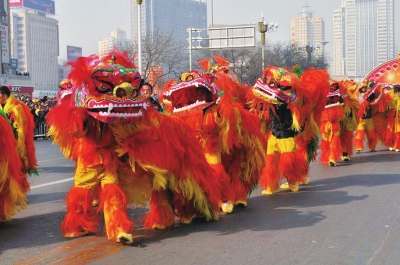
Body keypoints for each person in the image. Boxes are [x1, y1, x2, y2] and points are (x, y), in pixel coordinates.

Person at [0, 86, 38, 175]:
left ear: (4, 96)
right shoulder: (1, 107)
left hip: (15, 143)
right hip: (4, 143)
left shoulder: (16, 108)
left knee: (15, 171)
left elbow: (21, 128)